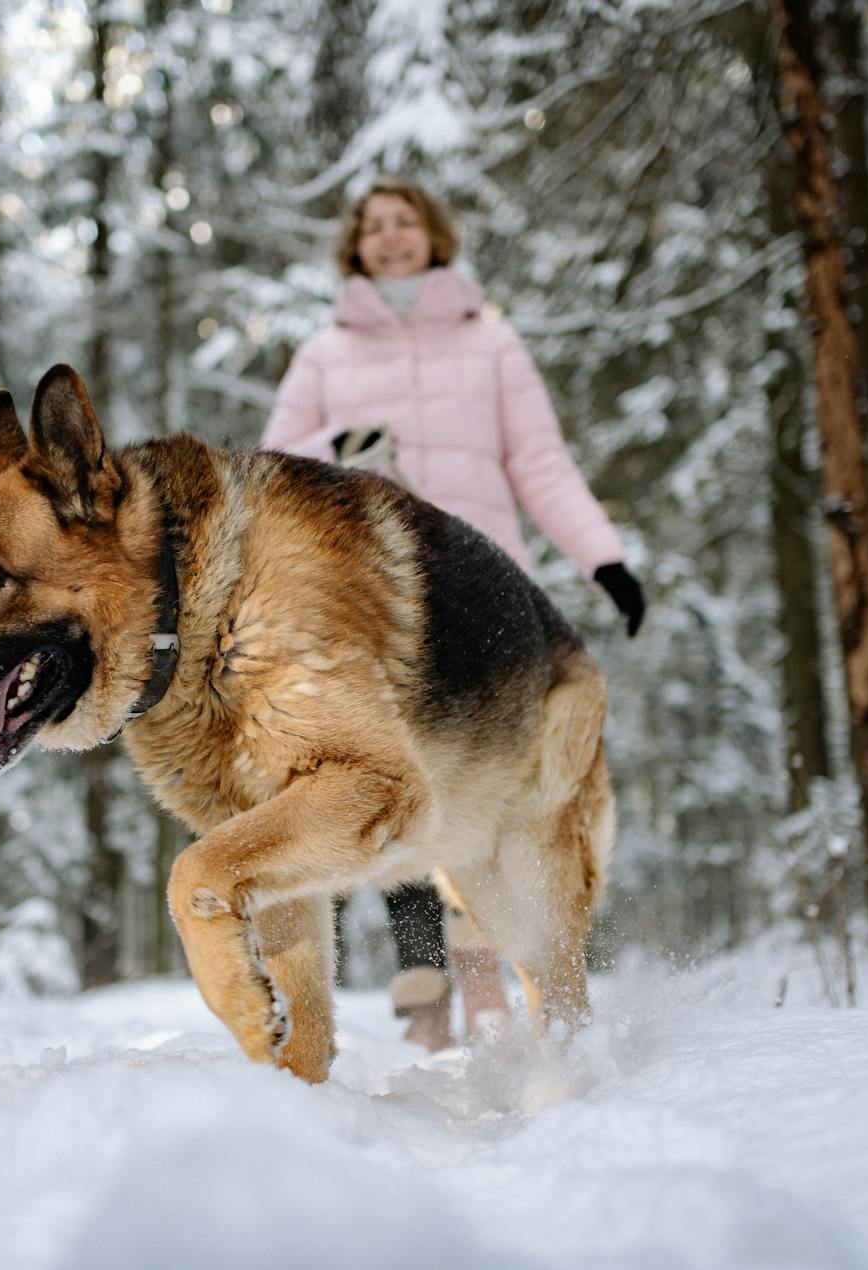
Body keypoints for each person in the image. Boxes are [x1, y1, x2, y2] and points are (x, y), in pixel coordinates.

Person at [260, 176, 644, 1051]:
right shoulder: (324, 352)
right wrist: (343, 452)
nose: (391, 237)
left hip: (480, 590)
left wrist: (604, 558)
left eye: (406, 223)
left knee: (484, 779)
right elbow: (276, 467)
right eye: (374, 227)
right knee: (393, 765)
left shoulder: (493, 344)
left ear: (435, 237)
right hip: (375, 595)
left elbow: (539, 460)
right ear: (354, 248)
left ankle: (489, 979)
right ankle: (422, 984)